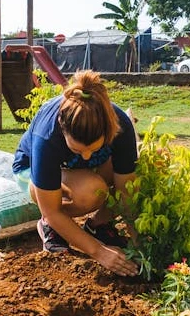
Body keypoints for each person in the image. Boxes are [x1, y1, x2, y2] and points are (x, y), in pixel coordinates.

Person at [13, 70, 139, 277]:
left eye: (94, 148)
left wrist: (139, 243)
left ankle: (98, 225)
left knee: (135, 176)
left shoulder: (120, 125)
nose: (88, 156)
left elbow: (127, 192)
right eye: (78, 150)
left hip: (76, 171)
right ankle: (49, 227)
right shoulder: (47, 135)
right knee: (91, 191)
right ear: (63, 130)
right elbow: (52, 210)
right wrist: (99, 251)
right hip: (29, 172)